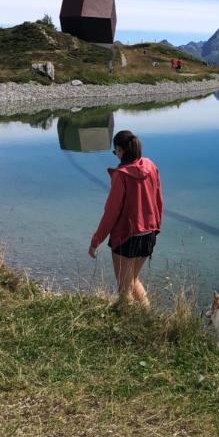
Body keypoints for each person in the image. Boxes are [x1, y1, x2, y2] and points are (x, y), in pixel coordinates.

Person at [88, 130, 163, 307]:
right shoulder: (151, 166)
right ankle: (148, 319)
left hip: (126, 237)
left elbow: (111, 212)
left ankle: (127, 324)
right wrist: (156, 227)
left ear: (121, 151)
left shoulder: (121, 175)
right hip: (148, 234)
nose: (116, 155)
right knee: (133, 279)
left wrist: (95, 241)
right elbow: (158, 199)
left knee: (124, 288)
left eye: (115, 152)